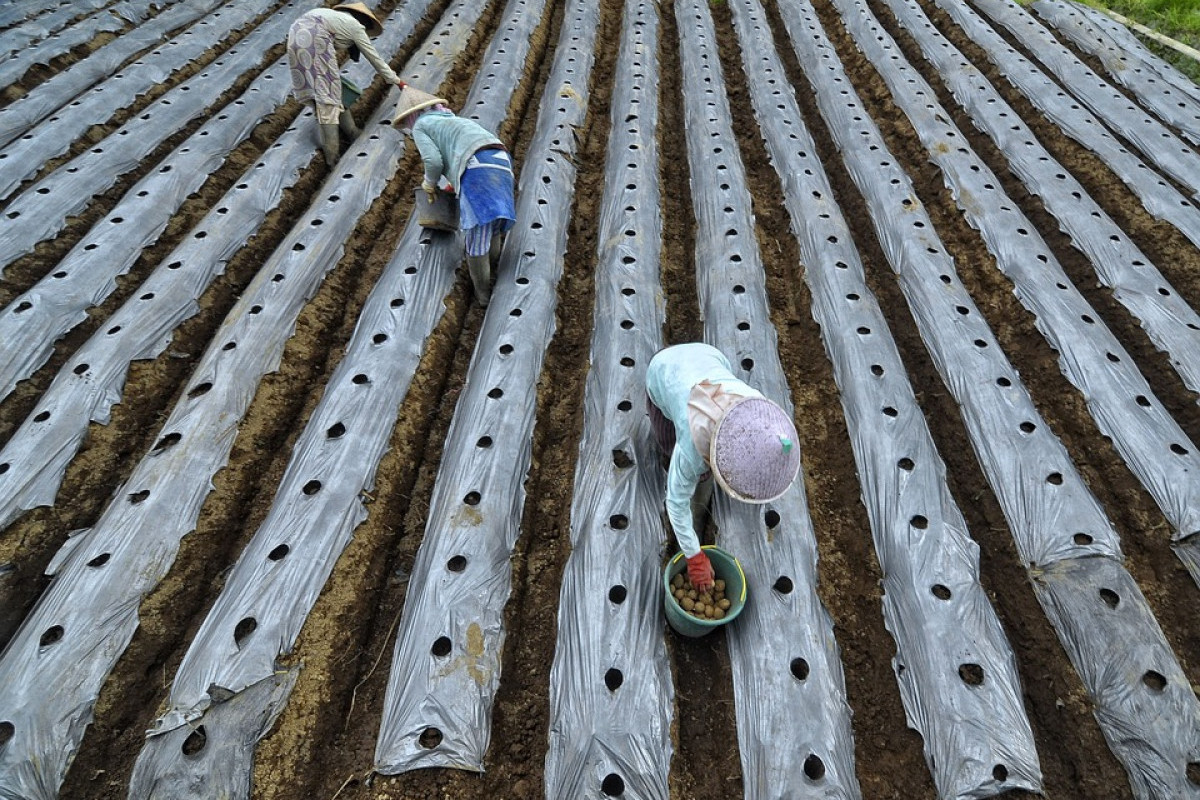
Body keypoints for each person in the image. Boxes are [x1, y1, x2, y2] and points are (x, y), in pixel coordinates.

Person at [646, 343, 801, 591]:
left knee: (700, 473)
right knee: (668, 441)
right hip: (664, 371)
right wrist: (695, 558)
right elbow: (676, 503)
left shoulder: (758, 410)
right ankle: (677, 462)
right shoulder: (690, 446)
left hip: (709, 357)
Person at [392, 83, 516, 307]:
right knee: (494, 223)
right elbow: (458, 152)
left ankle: (482, 294)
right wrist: (453, 185)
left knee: (477, 234)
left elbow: (433, 160)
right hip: (501, 161)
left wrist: (429, 183)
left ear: (411, 117)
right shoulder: (450, 120)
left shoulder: (421, 126)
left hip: (477, 169)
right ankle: (493, 271)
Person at [286, 2, 403, 164]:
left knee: (328, 87)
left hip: (294, 36)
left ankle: (351, 131)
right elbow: (374, 58)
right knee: (327, 97)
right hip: (316, 39)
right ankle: (332, 156)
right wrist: (396, 80)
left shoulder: (334, 16)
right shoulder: (355, 27)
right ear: (365, 22)